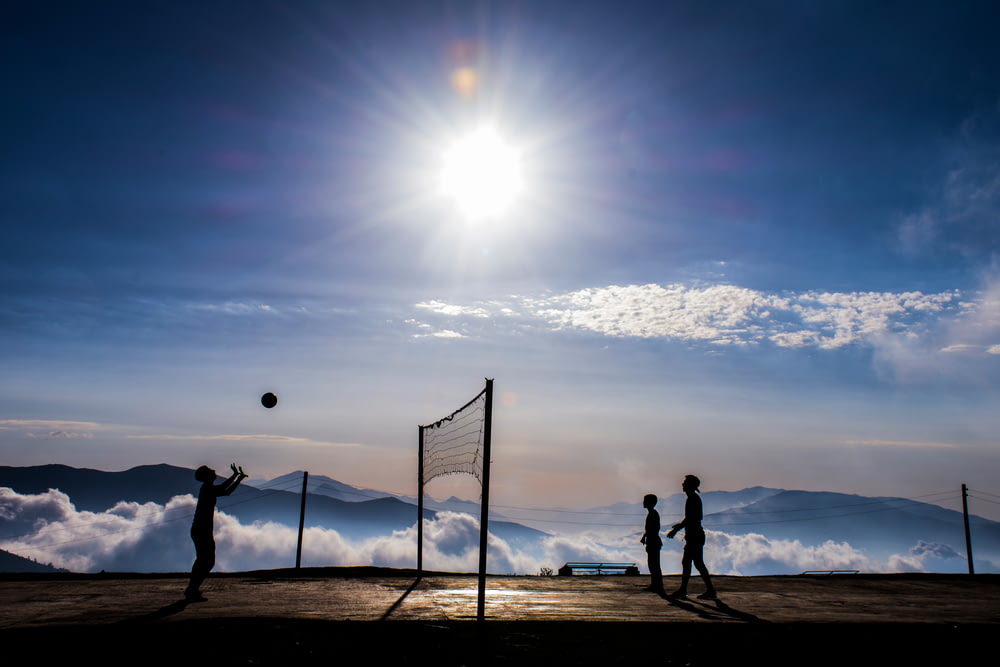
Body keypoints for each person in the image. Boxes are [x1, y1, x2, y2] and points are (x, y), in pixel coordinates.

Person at [185, 462, 247, 601]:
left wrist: (236, 476)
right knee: (206, 561)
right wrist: (237, 478)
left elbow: (223, 489)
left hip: (201, 530)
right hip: (202, 530)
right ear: (207, 476)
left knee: (204, 560)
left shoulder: (207, 488)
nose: (214, 470)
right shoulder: (207, 489)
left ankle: (192, 589)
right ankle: (192, 589)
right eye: (210, 470)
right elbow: (226, 491)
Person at [666, 474, 717, 600]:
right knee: (694, 563)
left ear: (690, 485)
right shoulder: (692, 498)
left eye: (685, 483)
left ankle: (689, 590)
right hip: (695, 536)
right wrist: (680, 526)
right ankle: (705, 590)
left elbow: (693, 518)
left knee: (693, 563)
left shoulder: (693, 499)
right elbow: (691, 518)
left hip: (695, 536)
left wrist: (678, 528)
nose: (682, 484)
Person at [640, 493, 664, 594]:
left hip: (653, 542)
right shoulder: (652, 513)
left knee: (654, 564)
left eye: (645, 501)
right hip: (652, 541)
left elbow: (654, 529)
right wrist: (645, 536)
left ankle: (657, 585)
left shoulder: (653, 514)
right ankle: (655, 584)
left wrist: (648, 537)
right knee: (652, 564)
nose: (643, 502)